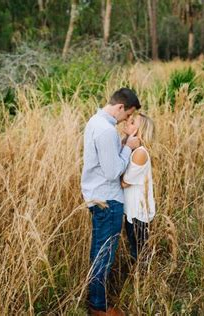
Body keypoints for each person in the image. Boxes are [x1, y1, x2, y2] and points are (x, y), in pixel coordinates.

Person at [81, 88, 141, 315]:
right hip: (108, 199)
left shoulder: (95, 122)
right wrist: (128, 148)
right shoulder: (106, 130)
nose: (126, 120)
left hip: (98, 196)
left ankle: (95, 301)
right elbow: (112, 170)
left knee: (99, 250)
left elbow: (107, 158)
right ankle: (98, 307)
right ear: (120, 107)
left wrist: (125, 141)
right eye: (127, 115)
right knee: (104, 253)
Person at [120, 113, 156, 261]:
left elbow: (124, 182)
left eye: (133, 122)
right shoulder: (133, 150)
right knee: (135, 249)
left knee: (140, 254)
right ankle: (140, 278)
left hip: (139, 213)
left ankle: (143, 281)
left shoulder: (140, 153)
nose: (127, 121)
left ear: (139, 131)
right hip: (131, 210)